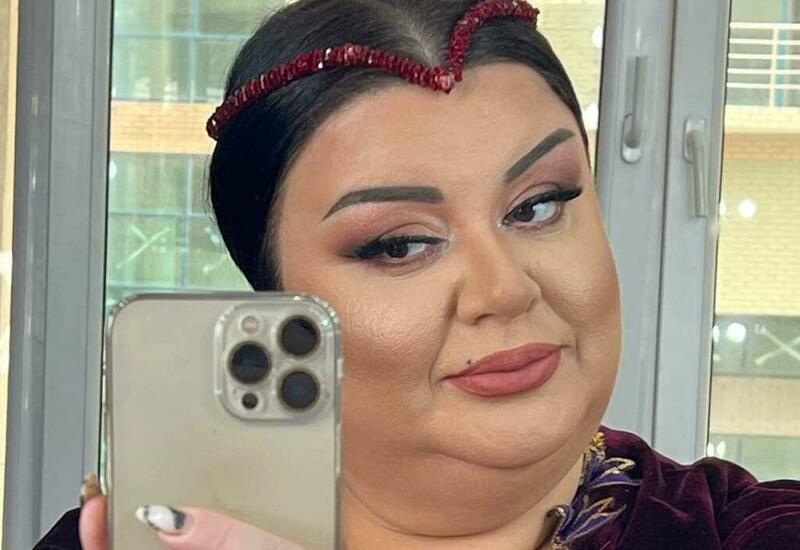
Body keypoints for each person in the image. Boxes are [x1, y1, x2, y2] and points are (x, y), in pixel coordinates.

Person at [35, 0, 800, 548]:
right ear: (279, 302)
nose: (506, 289)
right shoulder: (149, 537)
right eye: (400, 245)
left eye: (538, 206)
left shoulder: (748, 528)